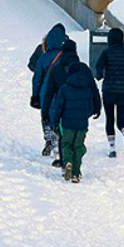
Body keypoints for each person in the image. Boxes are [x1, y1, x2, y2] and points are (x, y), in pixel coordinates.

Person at [48, 61, 101, 182]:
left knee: (66, 144)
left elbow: (58, 107)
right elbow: (90, 108)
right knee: (78, 146)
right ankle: (76, 173)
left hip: (67, 124)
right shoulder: (87, 90)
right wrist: (84, 116)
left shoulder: (64, 89)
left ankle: (68, 163)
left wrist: (56, 121)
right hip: (82, 124)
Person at [93, 27, 124, 158]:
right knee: (121, 122)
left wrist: (100, 76)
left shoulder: (106, 52)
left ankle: (112, 148)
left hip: (108, 91)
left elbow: (98, 68)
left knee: (110, 120)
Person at [28, 24, 68, 155]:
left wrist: (35, 95)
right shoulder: (66, 55)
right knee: (60, 115)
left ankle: (48, 137)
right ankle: (59, 138)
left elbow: (37, 78)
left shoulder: (44, 57)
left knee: (46, 114)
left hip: (46, 91)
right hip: (62, 90)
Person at [39, 37, 79, 166]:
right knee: (77, 133)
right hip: (78, 105)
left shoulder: (55, 69)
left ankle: (62, 158)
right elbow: (91, 88)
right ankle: (75, 162)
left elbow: (49, 91)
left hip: (60, 103)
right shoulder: (81, 68)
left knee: (61, 129)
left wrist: (44, 110)